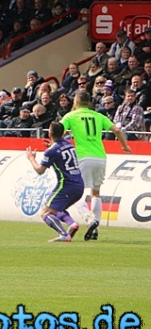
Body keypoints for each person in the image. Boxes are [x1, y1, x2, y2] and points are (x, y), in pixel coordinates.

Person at [59, 89, 131, 241]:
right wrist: (124, 146)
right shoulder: (98, 116)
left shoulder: (71, 116)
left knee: (74, 193)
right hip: (100, 157)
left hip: (83, 157)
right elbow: (117, 129)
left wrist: (56, 142)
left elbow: (58, 130)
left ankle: (88, 218)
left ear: (76, 102)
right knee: (96, 192)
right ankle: (96, 228)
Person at [25, 122, 85, 242]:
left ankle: (64, 234)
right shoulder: (69, 144)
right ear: (63, 133)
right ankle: (72, 224)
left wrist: (31, 158)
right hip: (79, 184)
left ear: (49, 133)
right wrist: (52, 146)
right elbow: (60, 152)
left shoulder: (51, 151)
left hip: (66, 185)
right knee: (55, 209)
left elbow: (40, 170)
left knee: (45, 213)